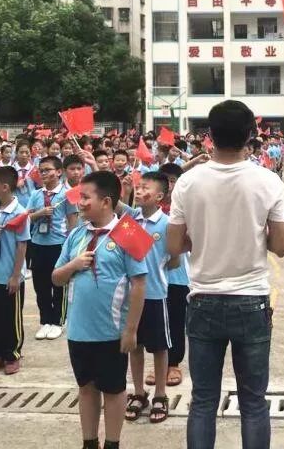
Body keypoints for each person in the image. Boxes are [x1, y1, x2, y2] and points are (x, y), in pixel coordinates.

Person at [168, 100, 284, 449]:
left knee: (203, 401)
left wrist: (203, 234)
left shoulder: (188, 182)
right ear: (251, 136)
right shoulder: (267, 181)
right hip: (251, 299)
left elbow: (174, 245)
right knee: (253, 403)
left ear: (209, 135)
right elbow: (281, 247)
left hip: (203, 298)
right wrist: (252, 230)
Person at [52, 171, 147, 449]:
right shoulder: (76, 234)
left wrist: (130, 330)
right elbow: (56, 277)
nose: (79, 203)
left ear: (106, 201)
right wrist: (73, 265)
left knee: (114, 389)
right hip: (79, 332)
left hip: (111, 333)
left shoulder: (130, 231)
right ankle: (89, 442)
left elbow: (140, 284)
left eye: (85, 197)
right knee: (86, 387)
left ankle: (112, 443)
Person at [125, 172, 174, 424]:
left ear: (160, 196)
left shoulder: (166, 224)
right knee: (134, 344)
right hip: (131, 295)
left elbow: (174, 259)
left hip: (155, 293)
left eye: (146, 187)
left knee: (158, 346)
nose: (140, 190)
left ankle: (160, 394)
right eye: (139, 186)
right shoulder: (130, 219)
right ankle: (139, 391)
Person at [0, 166, 30, 376]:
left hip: (9, 275)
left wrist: (15, 275)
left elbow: (22, 246)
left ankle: (12, 354)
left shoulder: (20, 212)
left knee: (11, 317)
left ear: (5, 187)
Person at [27, 156, 79, 341]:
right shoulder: (36, 194)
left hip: (59, 245)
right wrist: (40, 213)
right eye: (41, 170)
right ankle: (45, 321)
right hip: (38, 244)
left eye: (48, 170)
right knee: (40, 285)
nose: (44, 173)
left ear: (59, 172)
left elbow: (73, 220)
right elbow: (28, 217)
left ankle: (58, 321)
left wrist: (70, 246)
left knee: (59, 284)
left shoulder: (67, 194)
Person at [160, 162, 189, 387]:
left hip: (179, 275)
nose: (169, 186)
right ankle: (158, 363)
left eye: (173, 181)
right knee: (155, 322)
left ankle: (174, 364)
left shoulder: (188, 209)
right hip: (152, 277)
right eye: (165, 181)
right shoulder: (149, 210)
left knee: (176, 320)